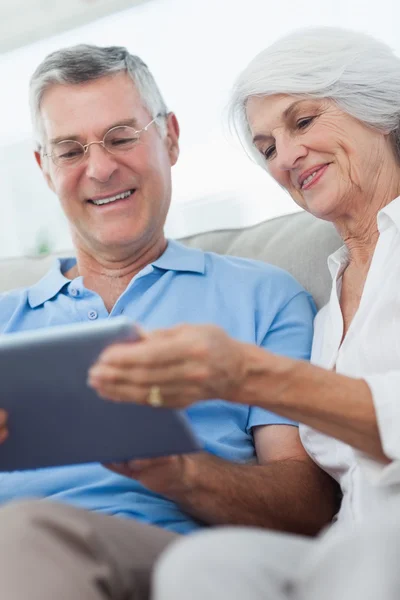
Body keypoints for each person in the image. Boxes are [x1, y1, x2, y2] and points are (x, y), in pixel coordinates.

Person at [0, 44, 336, 599]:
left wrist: (180, 472)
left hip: (169, 558)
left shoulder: (262, 296)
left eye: (122, 137)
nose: (101, 168)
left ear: (170, 137)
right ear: (45, 168)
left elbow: (309, 509)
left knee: (22, 536)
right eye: (69, 150)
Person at [87, 27, 400, 599]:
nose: (286, 157)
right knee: (203, 566)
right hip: (344, 552)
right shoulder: (328, 303)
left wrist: (249, 374)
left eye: (302, 122)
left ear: (378, 109)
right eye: (267, 148)